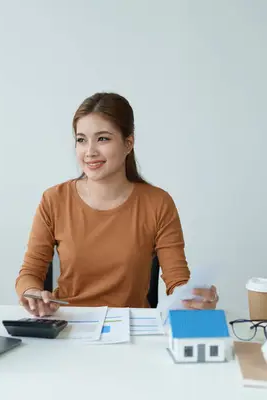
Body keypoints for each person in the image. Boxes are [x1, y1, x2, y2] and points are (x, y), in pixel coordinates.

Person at [15, 92, 219, 317]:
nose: (90, 151)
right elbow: (29, 273)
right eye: (81, 140)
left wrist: (193, 299)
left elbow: (177, 281)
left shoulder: (158, 203)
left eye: (103, 138)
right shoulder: (54, 199)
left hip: (133, 329)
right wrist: (32, 293)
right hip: (69, 324)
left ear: (128, 143)